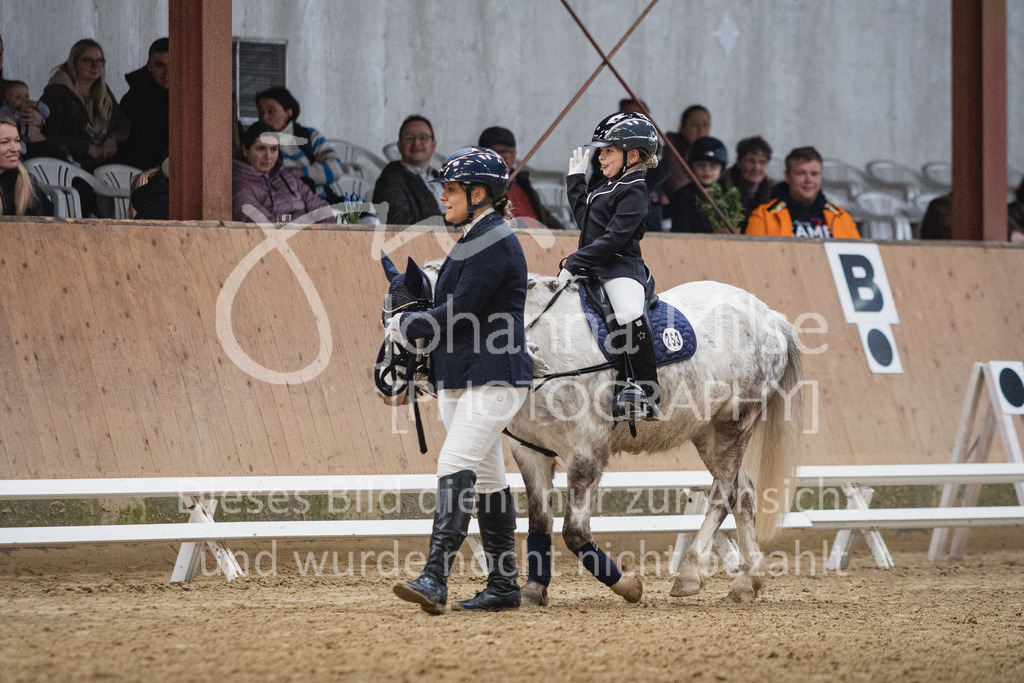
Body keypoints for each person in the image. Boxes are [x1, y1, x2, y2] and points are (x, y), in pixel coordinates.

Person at [387, 147, 531, 613]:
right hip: (463, 375)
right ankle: (504, 586)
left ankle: (434, 577)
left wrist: (416, 325)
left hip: (494, 375)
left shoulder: (495, 240)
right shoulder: (471, 240)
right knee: (489, 478)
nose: (444, 199)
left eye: (450, 191)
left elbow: (462, 308)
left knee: (455, 461)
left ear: (479, 193)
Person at [561, 112, 661, 421]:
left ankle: (645, 389)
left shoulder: (635, 190)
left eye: (607, 151)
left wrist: (575, 261)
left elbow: (615, 239)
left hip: (620, 267)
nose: (600, 157)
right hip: (593, 267)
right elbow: (587, 226)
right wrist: (576, 182)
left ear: (632, 155)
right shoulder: (604, 188)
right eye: (600, 151)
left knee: (628, 313)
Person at [40, 39, 129, 171]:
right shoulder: (57, 93)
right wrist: (86, 149)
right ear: (74, 62)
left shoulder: (103, 91)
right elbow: (49, 136)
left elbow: (123, 123)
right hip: (71, 166)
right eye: (88, 61)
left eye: (100, 61)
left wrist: (113, 139)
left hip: (103, 163)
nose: (95, 66)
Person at [255, 86, 348, 203]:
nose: (264, 117)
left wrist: (297, 172)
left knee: (367, 212)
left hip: (324, 200)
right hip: (288, 206)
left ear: (288, 112)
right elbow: (271, 181)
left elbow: (335, 169)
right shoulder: (259, 143)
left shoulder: (310, 136)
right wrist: (315, 168)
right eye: (260, 111)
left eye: (271, 111)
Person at [746, 146, 859, 238]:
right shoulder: (764, 217)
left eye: (814, 174)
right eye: (801, 173)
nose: (808, 180)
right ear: (787, 176)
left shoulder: (842, 217)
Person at [232, 121, 330, 223]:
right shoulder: (240, 187)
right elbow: (267, 226)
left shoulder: (285, 176)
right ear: (246, 151)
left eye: (273, 149)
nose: (268, 157)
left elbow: (321, 209)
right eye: (261, 149)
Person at [478, 126, 564, 230]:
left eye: (511, 151)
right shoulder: (474, 187)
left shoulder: (522, 182)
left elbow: (545, 217)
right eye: (500, 152)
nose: (507, 156)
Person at [372, 115, 443, 225]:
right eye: (409, 138)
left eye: (423, 138)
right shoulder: (391, 178)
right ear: (399, 146)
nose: (416, 143)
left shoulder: (440, 178)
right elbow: (397, 223)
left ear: (433, 145)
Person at [116, 38, 169, 170]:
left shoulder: (190, 97)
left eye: (173, 64)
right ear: (149, 66)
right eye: (160, 65)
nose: (167, 72)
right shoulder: (133, 101)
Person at [667, 136, 728, 233]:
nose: (706, 170)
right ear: (691, 167)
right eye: (700, 165)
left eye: (713, 166)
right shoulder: (681, 196)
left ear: (722, 169)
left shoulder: (728, 196)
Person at [0, 115, 54, 216]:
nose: (15, 148)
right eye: (5, 142)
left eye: (17, 141)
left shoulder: (27, 183)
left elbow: (40, 226)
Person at [719, 136, 775, 228]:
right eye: (751, 161)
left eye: (762, 162)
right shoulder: (723, 186)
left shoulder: (772, 190)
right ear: (739, 162)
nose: (756, 168)